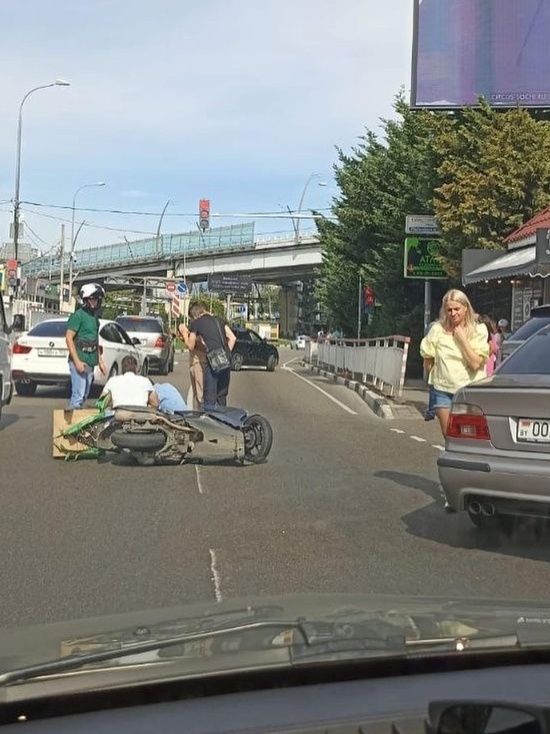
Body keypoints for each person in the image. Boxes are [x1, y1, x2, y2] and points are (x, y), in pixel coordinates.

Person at [420, 289, 490, 438]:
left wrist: (463, 339)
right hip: (442, 391)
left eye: (457, 309)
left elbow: (475, 364)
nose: (453, 313)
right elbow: (428, 361)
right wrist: (435, 378)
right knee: (450, 437)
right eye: (449, 310)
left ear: (466, 307)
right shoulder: (437, 330)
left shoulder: (479, 330)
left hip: (468, 390)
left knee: (468, 437)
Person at [178, 303, 236, 411]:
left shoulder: (197, 323)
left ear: (194, 316)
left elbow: (190, 346)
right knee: (221, 397)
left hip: (213, 362)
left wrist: (184, 333)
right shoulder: (220, 320)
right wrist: (226, 354)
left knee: (209, 399)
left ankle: (209, 425)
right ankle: (222, 423)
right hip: (225, 361)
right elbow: (232, 338)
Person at [65, 283, 107, 410]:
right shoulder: (78, 316)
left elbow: (95, 341)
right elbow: (68, 338)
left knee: (84, 395)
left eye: (96, 299)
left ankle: (79, 424)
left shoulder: (95, 318)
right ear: (85, 299)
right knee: (78, 395)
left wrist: (100, 362)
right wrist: (77, 361)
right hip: (80, 358)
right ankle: (70, 424)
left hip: (90, 360)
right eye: (92, 299)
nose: (94, 302)